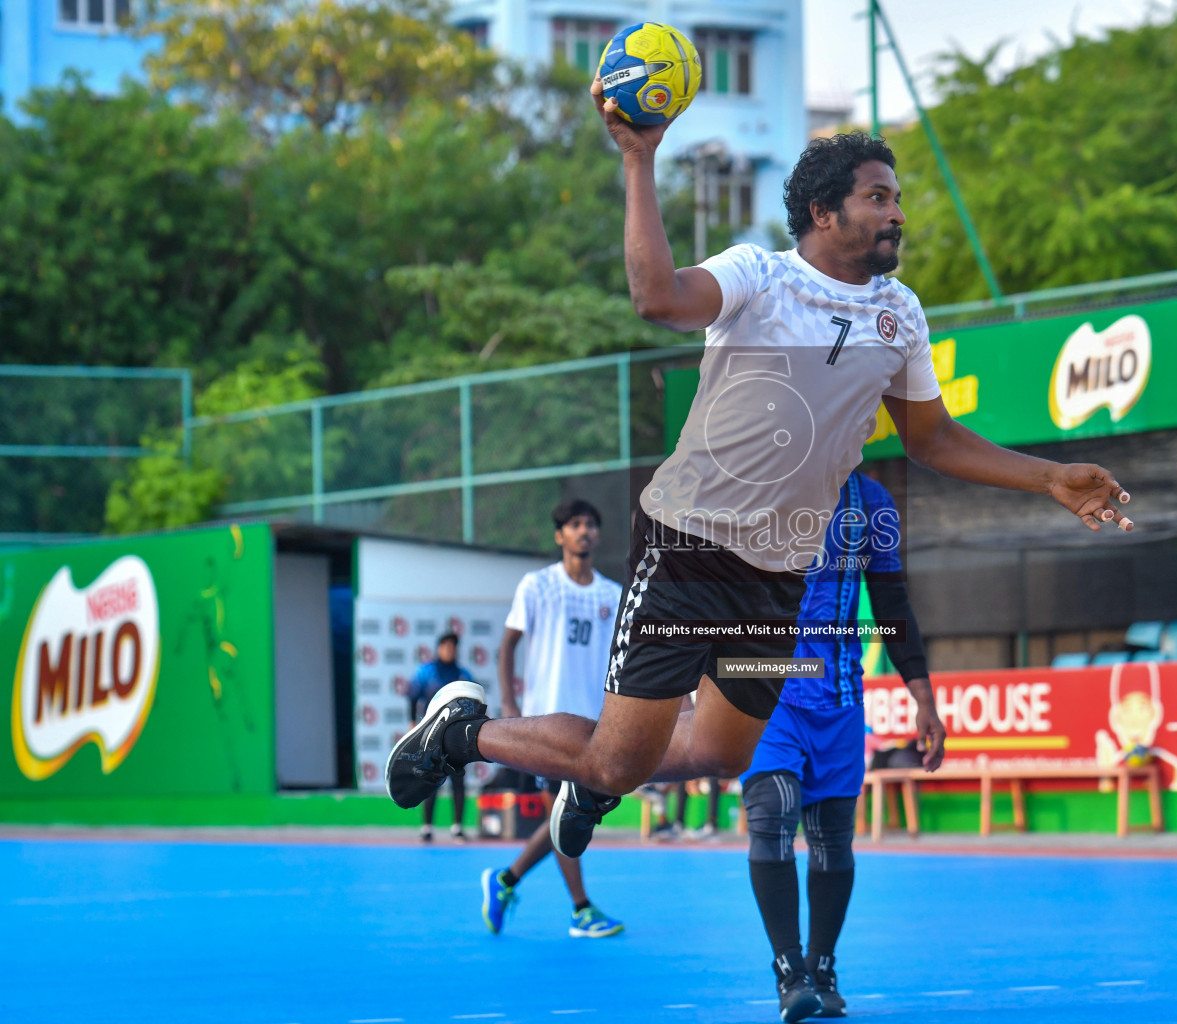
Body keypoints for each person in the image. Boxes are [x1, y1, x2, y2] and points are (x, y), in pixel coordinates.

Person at [385, 96, 1132, 900]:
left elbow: (933, 440)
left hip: (780, 574)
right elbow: (658, 298)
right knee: (615, 758)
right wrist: (639, 159)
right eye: (879, 197)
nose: (897, 213)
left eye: (898, 198)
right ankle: (465, 733)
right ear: (823, 211)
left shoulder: (899, 314)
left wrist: (1051, 478)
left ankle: (592, 782)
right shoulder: (759, 277)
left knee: (720, 753)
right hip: (688, 547)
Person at [742, 470, 941, 1020]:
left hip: (839, 695)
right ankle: (789, 970)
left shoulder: (870, 501)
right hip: (766, 685)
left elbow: (892, 600)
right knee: (773, 811)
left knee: (832, 839)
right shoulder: (759, 483)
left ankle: (822, 963)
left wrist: (924, 698)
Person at [479, 499, 625, 939]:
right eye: (574, 524)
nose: (584, 531)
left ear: (598, 535)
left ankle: (504, 881)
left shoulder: (611, 594)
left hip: (593, 727)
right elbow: (508, 646)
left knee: (569, 817)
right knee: (567, 815)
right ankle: (581, 909)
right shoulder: (537, 585)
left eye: (590, 525)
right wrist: (511, 707)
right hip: (546, 725)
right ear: (560, 535)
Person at [409, 632, 475, 842]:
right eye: (445, 646)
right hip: (431, 734)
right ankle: (427, 827)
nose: (449, 650)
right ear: (438, 648)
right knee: (430, 778)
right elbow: (413, 696)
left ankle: (457, 827)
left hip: (455, 735)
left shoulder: (462, 674)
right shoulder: (426, 672)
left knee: (457, 779)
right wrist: (412, 723)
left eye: (453, 647)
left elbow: (473, 700)